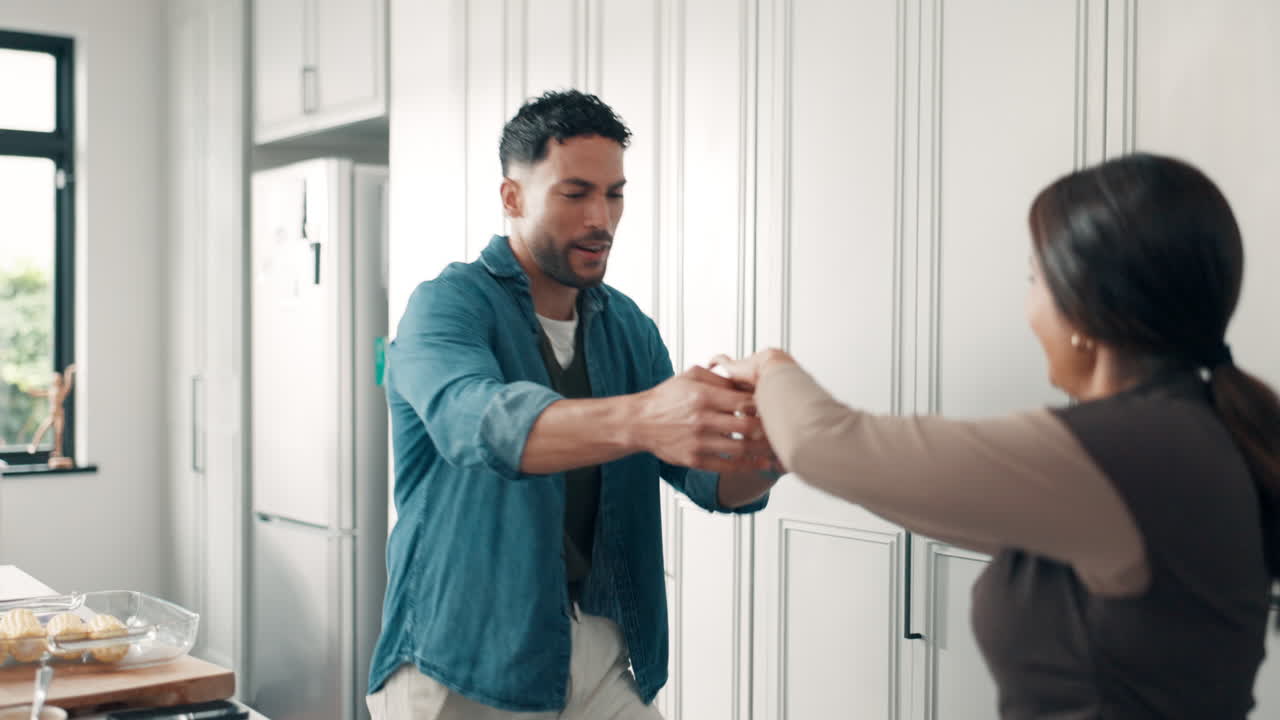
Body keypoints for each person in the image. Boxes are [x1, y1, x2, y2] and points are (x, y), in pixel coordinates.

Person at [713, 153, 1280, 719]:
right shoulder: (1189, 431)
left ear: (1082, 305)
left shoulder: (1126, 450)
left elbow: (826, 445)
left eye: (1036, 280)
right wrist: (808, 442)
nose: (1030, 305)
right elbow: (918, 486)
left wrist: (769, 368)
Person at [366, 90, 780, 720]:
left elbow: (709, 481)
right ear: (513, 198)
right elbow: (478, 424)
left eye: (614, 194)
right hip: (461, 657)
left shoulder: (629, 329)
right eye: (575, 193)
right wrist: (646, 418)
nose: (601, 219)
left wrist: (769, 445)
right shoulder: (445, 307)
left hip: (600, 651)